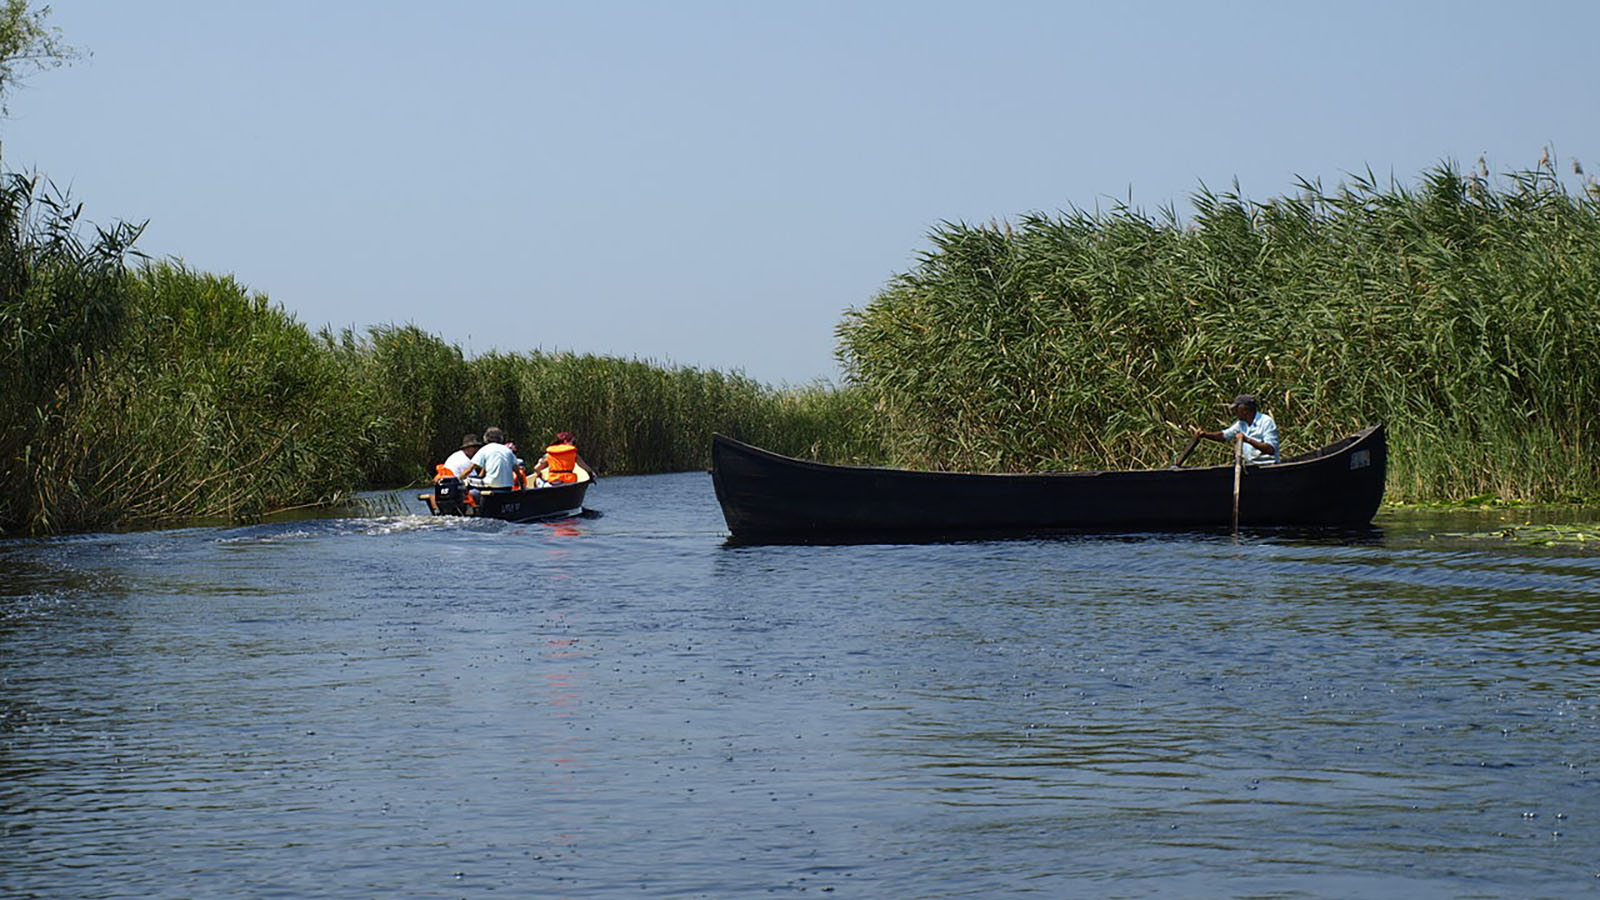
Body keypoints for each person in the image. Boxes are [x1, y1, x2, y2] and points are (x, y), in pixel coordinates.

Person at [1194, 394, 1280, 463]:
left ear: (1244, 409)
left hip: (1267, 466)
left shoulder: (1266, 422)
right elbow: (1223, 435)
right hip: (1251, 466)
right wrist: (1205, 435)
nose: (1235, 412)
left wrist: (1247, 440)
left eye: (1236, 409)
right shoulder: (1241, 424)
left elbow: (1270, 449)